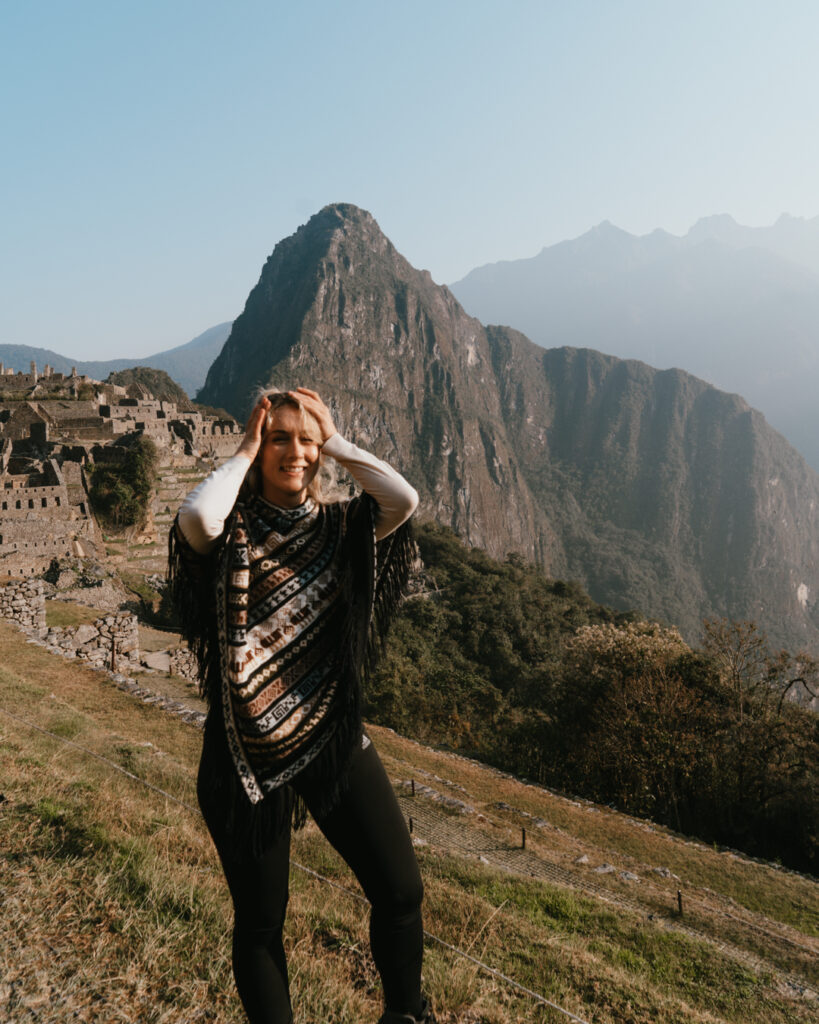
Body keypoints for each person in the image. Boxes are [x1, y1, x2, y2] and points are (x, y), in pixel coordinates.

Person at [168, 387, 435, 1024]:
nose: (295, 451)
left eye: (304, 440)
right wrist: (244, 448)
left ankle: (406, 1014)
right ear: (261, 450)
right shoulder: (230, 533)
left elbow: (403, 499)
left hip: (329, 735)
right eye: (280, 439)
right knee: (262, 922)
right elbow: (197, 520)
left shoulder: (343, 528)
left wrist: (334, 437)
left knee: (400, 891)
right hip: (245, 755)